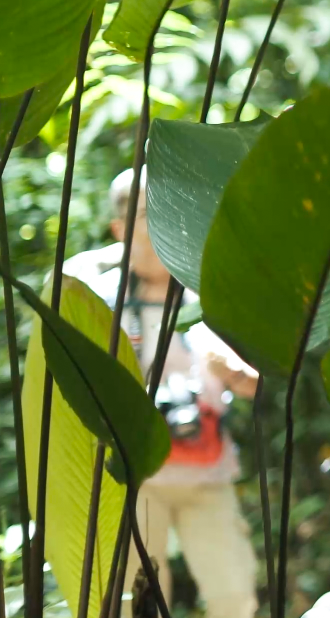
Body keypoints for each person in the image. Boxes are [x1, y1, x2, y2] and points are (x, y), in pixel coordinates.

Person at [65, 169, 260, 618]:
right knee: (138, 600)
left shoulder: (208, 281)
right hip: (132, 477)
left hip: (205, 469)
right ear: (119, 228)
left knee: (235, 596)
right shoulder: (91, 286)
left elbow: (255, 385)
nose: (164, 222)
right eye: (148, 213)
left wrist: (232, 369)